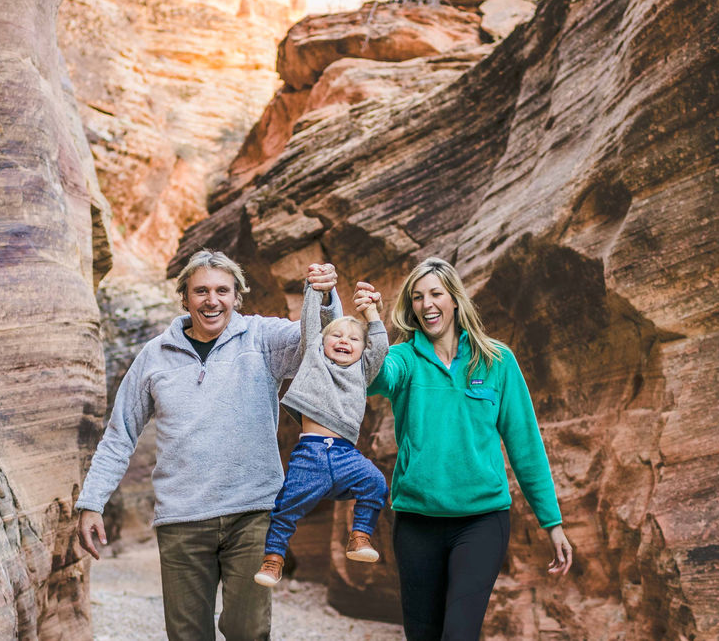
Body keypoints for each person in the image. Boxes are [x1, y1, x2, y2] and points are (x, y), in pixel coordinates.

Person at [74, 250, 341, 641]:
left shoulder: (262, 338)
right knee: (187, 635)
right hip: (182, 520)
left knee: (249, 630)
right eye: (201, 291)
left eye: (222, 291)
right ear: (185, 297)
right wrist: (92, 502)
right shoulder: (155, 356)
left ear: (236, 296)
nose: (212, 300)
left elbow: (323, 347)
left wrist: (324, 297)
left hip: (252, 513)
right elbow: (119, 435)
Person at [363, 257, 573, 641]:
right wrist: (374, 323)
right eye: (417, 297)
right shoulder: (403, 359)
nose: (427, 304)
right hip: (416, 523)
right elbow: (372, 377)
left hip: (481, 521)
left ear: (455, 299)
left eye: (436, 294)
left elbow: (526, 445)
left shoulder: (496, 361)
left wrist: (552, 523)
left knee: (459, 634)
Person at [253, 281, 389, 587]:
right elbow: (311, 325)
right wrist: (314, 290)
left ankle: (360, 536)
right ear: (323, 342)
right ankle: (273, 559)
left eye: (354, 338)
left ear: (362, 348)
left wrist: (371, 313)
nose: (344, 341)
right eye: (336, 335)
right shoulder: (313, 359)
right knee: (285, 508)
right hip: (310, 455)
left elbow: (380, 346)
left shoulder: (362, 371)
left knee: (376, 482)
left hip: (345, 455)